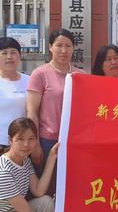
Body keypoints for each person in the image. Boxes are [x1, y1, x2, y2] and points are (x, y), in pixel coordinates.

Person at [0, 118, 58, 212]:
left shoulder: (24, 160)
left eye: (31, 139)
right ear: (10, 140)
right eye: (20, 139)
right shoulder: (4, 171)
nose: (26, 144)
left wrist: (51, 158)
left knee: (46, 202)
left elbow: (38, 191)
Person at [27, 29, 83, 181]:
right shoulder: (40, 74)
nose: (64, 50)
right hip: (48, 141)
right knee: (48, 186)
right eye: (59, 45)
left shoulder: (81, 76)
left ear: (73, 48)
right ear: (50, 47)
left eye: (68, 46)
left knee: (71, 186)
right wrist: (35, 143)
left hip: (74, 141)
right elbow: (32, 112)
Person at [0, 37, 29, 154]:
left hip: (23, 145)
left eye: (13, 52)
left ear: (20, 56)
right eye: (4, 53)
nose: (9, 57)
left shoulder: (30, 81)